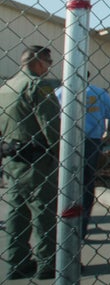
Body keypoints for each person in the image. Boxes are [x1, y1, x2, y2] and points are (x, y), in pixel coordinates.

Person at [0, 46, 60, 279]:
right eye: (49, 62)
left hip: (13, 158)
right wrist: (62, 153)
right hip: (38, 160)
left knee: (17, 211)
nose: (49, 67)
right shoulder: (38, 85)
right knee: (43, 212)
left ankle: (17, 261)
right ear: (39, 62)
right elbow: (51, 124)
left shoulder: (6, 88)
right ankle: (48, 264)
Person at [55, 74, 110, 238]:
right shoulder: (98, 93)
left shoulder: (59, 93)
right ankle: (80, 228)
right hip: (90, 143)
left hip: (65, 142)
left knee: (62, 182)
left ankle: (61, 227)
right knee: (86, 185)